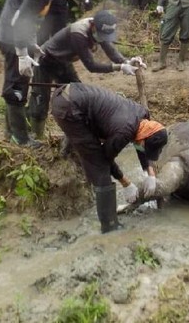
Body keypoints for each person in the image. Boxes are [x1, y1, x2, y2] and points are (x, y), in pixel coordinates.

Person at [50, 82, 168, 233]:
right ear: (144, 139)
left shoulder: (143, 116)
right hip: (67, 107)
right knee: (99, 167)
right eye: (146, 147)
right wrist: (126, 183)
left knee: (89, 138)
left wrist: (149, 173)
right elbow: (104, 159)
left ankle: (72, 142)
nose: (143, 148)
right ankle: (109, 226)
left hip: (72, 93)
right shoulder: (123, 132)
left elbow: (141, 147)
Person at [0, 0, 86, 147]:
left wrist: (31, 43)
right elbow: (20, 21)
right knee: (17, 85)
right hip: (11, 37)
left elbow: (27, 18)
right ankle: (20, 138)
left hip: (14, 35)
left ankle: (10, 132)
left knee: (19, 81)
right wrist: (21, 53)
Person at [27, 10, 145, 139]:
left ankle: (78, 131)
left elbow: (110, 50)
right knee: (40, 98)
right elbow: (91, 66)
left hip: (63, 61)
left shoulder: (99, 27)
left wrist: (127, 61)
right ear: (93, 25)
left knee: (77, 95)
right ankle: (36, 135)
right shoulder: (79, 33)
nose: (102, 38)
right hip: (45, 60)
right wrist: (120, 67)